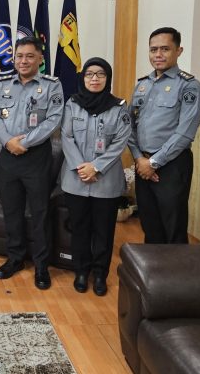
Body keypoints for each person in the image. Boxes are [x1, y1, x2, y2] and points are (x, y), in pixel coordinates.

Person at [0, 36, 64, 290]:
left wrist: (26, 142)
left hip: (37, 158)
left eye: (29, 56)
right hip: (8, 157)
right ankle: (15, 258)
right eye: (19, 56)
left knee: (40, 212)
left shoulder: (52, 85)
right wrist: (8, 142)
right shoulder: (2, 85)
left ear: (40, 59)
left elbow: (53, 119)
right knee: (11, 210)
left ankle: (42, 265)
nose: (23, 61)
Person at [127, 27, 200, 244]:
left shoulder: (189, 86)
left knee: (173, 225)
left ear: (178, 51)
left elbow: (185, 133)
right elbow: (129, 125)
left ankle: (176, 275)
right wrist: (139, 159)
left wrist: (153, 162)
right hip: (142, 163)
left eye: (165, 49)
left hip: (171, 165)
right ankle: (153, 274)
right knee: (149, 222)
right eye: (153, 50)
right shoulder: (142, 85)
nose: (158, 55)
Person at [62, 58, 131, 296]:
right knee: (79, 228)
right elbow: (66, 137)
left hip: (106, 181)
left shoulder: (119, 107)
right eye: (90, 74)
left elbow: (120, 142)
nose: (94, 78)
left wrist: (96, 167)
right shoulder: (73, 103)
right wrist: (82, 167)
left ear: (107, 78)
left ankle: (100, 273)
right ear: (83, 78)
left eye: (100, 74)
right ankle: (81, 271)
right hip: (76, 179)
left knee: (104, 230)